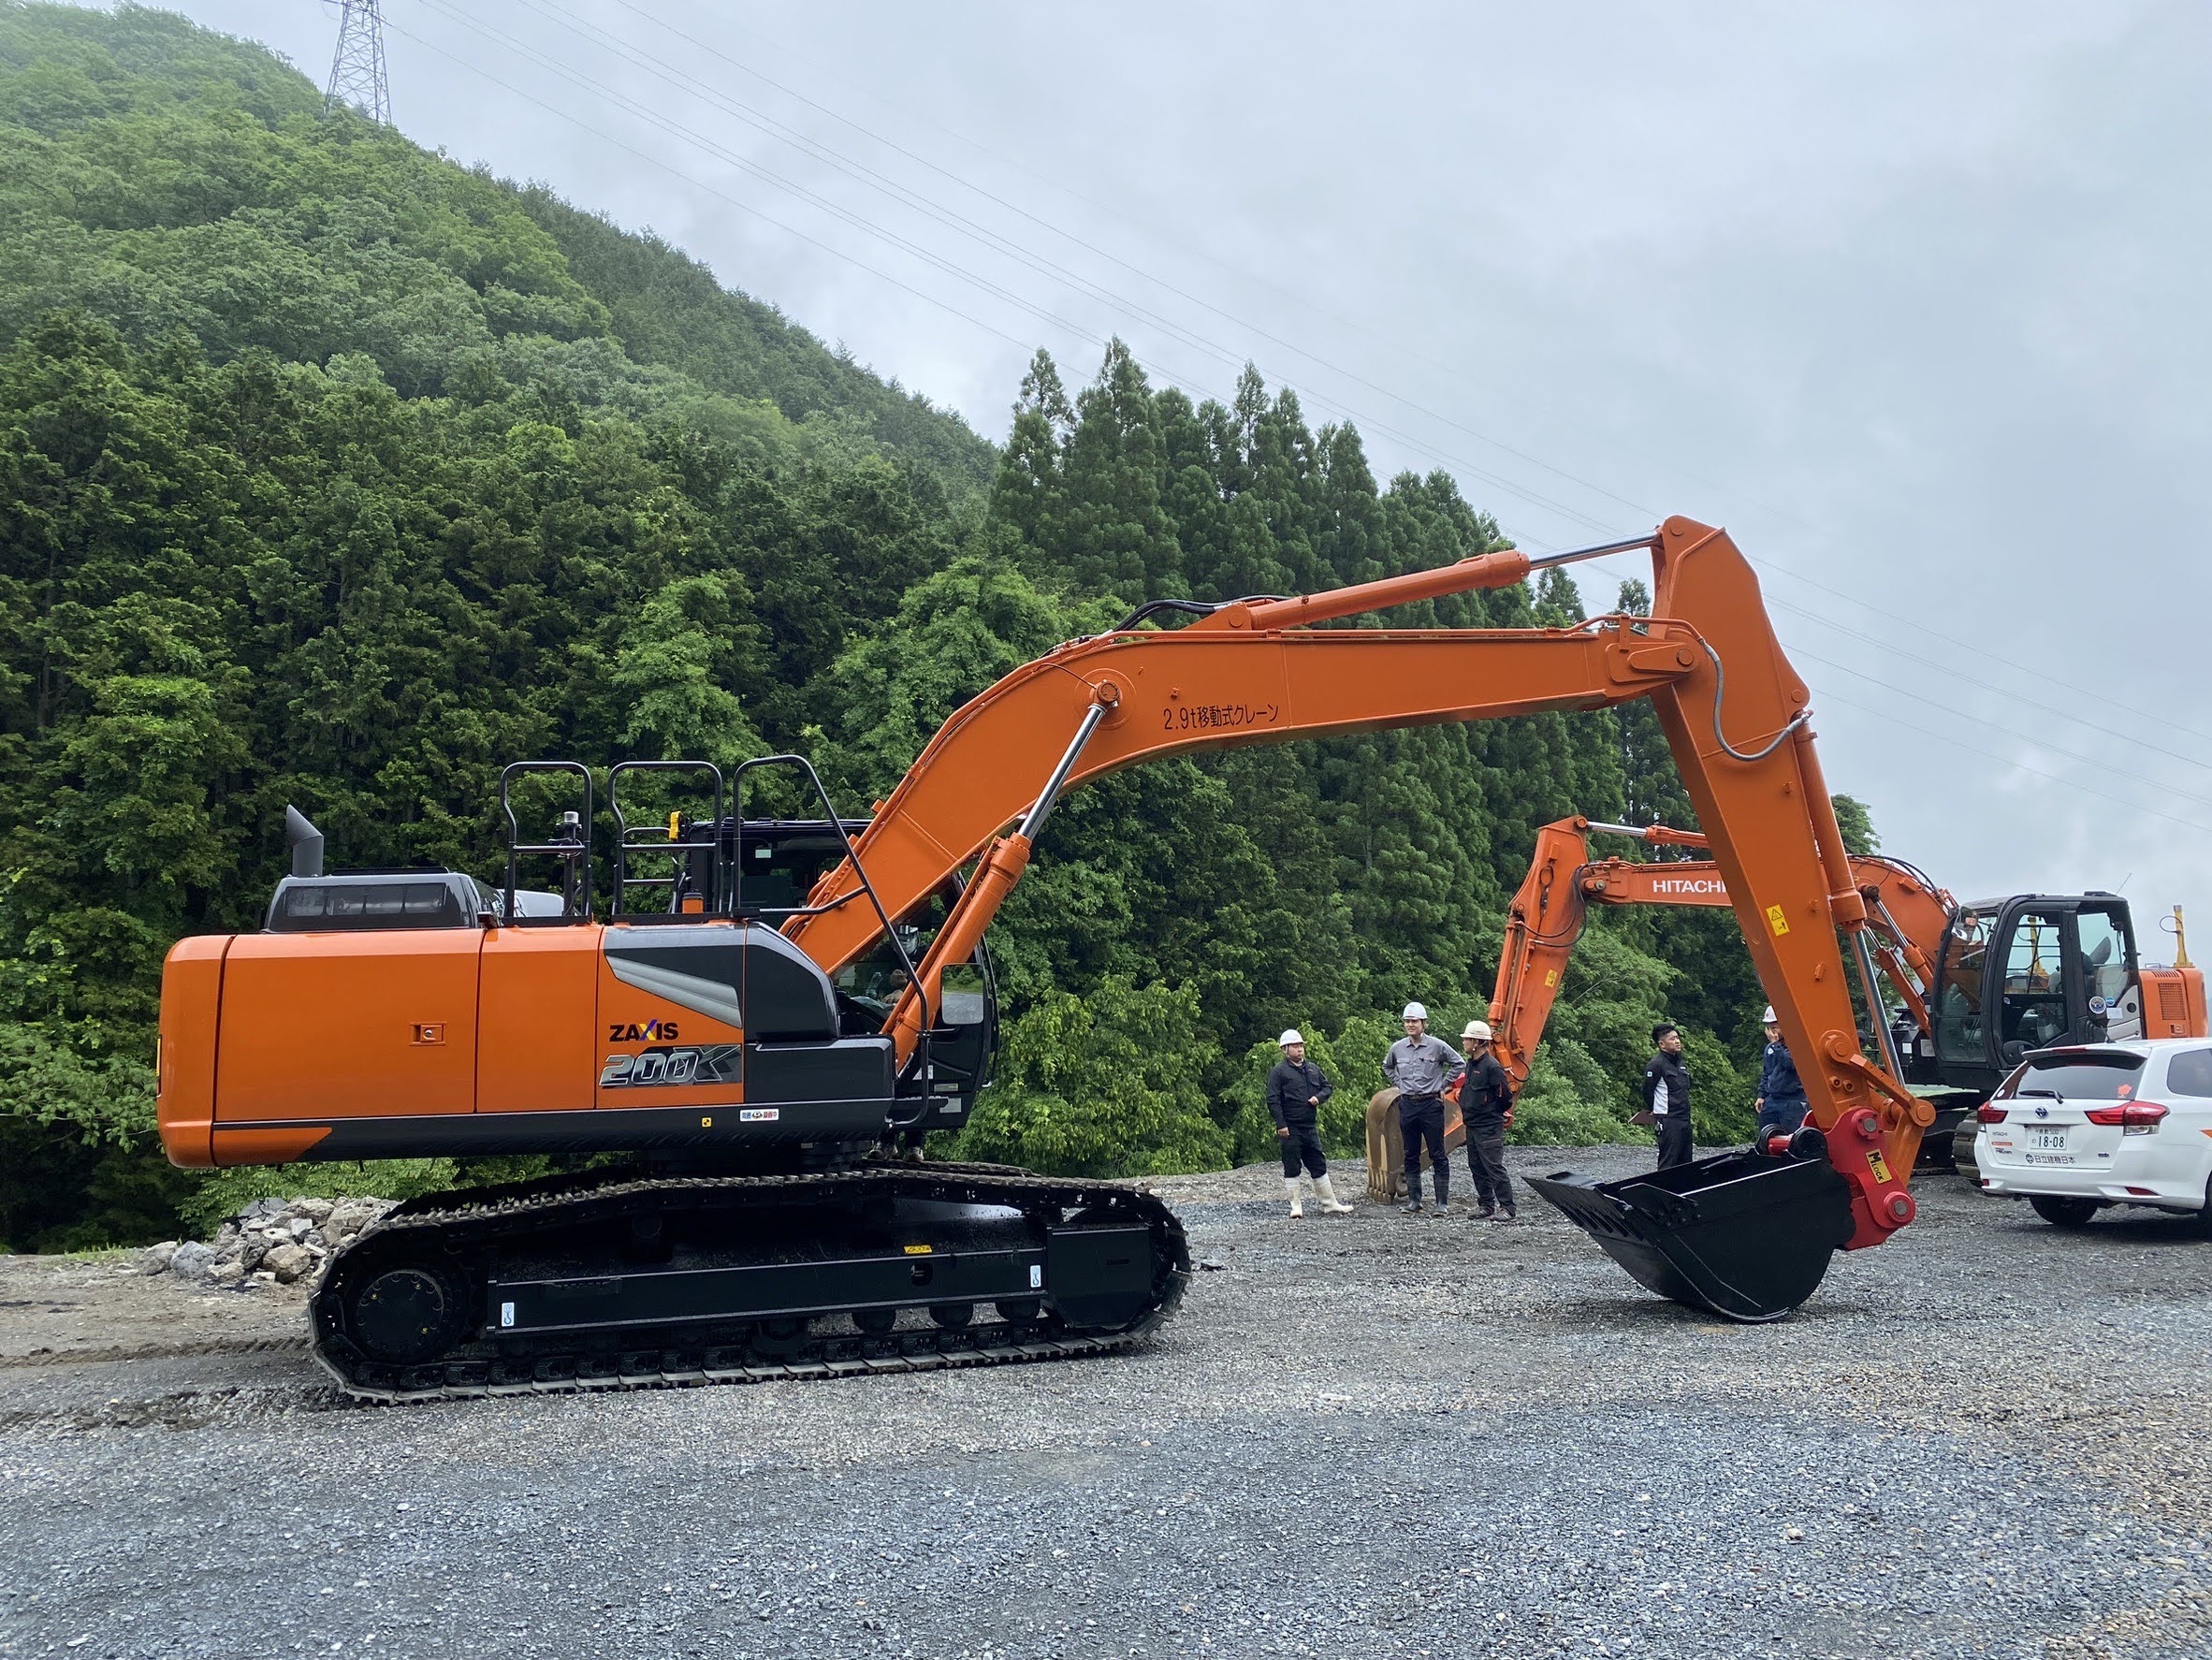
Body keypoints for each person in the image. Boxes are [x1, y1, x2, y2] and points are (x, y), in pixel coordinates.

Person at [1383, 1002, 1463, 1216]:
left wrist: (1444, 1085)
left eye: (1414, 1021)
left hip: (1431, 1104)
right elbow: (1387, 1066)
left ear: (1423, 1023)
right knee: (1410, 1153)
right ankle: (1414, 1201)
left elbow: (1458, 1063)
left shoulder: (1437, 1046)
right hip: (1408, 1104)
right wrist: (1400, 1084)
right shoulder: (1397, 1048)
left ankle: (1441, 1203)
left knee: (1438, 1153)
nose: (1410, 1025)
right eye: (1407, 1021)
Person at [1267, 1030, 1352, 1217]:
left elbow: (1327, 1087)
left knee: (1318, 1163)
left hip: (1309, 1126)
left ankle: (1330, 1204)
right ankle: (1296, 1207)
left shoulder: (1312, 1068)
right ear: (1284, 1049)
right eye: (1295, 1046)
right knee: (1291, 1165)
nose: (1299, 1049)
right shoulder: (1278, 1072)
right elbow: (1273, 1099)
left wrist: (1318, 1098)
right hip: (1290, 1127)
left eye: (1301, 1045)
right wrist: (1281, 1124)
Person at [1455, 1020, 1516, 1221]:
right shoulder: (1472, 1064)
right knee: (1477, 1167)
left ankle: (1507, 1208)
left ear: (1477, 1042)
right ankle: (1486, 1205)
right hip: (1472, 1125)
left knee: (1493, 1167)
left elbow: (1505, 1095)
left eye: (1467, 1039)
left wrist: (1493, 1112)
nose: (1464, 1042)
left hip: (1488, 1127)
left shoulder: (1492, 1067)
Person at [1753, 1005, 1809, 1142]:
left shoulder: (1796, 1046)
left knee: (1792, 1140)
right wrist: (1762, 1095)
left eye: (1775, 1028)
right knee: (1766, 1138)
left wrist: (1776, 1045)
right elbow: (1767, 1073)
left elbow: (1790, 1064)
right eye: (1769, 1028)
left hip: (1793, 1101)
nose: (1771, 1032)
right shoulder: (1770, 1049)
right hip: (1773, 1100)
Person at [1642, 1022, 1694, 1169]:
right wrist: (1654, 1109)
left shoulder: (1680, 1063)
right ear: (1662, 1044)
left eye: (1677, 1038)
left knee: (1686, 1163)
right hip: (1669, 1119)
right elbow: (1647, 1090)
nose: (1677, 1041)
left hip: (1684, 1117)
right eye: (1672, 1039)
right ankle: (1660, 1191)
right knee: (1669, 1162)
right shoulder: (1656, 1064)